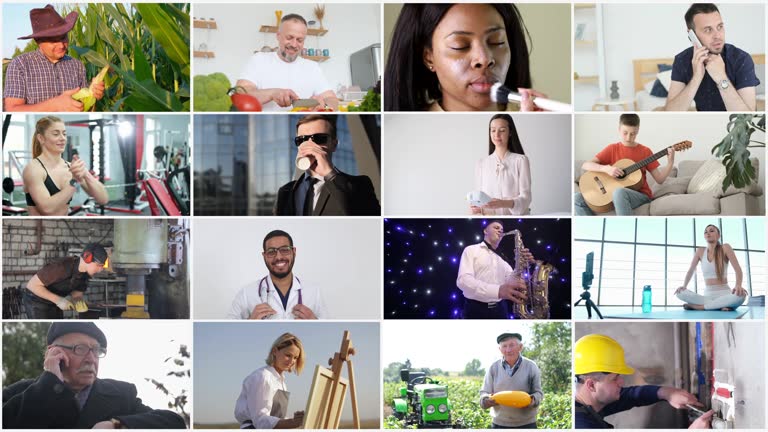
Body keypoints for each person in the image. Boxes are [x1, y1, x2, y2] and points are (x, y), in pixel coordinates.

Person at [2, 322, 186, 428]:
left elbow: (174, 422)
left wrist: (117, 426)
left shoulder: (121, 394)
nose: (91, 359)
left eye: (96, 350)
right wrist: (49, 384)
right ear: (54, 353)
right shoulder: (20, 392)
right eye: (80, 349)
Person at [384, 3, 548, 111]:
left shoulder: (533, 117)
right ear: (429, 58)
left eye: (496, 42)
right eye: (460, 45)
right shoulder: (413, 132)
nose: (484, 59)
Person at [574, 334, 713, 429]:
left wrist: (667, 393)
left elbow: (631, 396)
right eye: (615, 378)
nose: (621, 382)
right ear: (591, 385)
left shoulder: (589, 404)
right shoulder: (582, 425)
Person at [3, 4, 105, 112]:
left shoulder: (77, 65)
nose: (61, 45)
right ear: (38, 41)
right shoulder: (20, 65)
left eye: (63, 37)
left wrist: (93, 95)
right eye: (53, 41)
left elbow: (86, 109)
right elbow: (12, 110)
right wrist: (54, 105)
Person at [273, 114, 380, 216]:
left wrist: (329, 174)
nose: (310, 145)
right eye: (302, 140)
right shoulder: (285, 191)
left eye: (319, 138)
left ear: (334, 144)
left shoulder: (360, 184)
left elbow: (370, 218)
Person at [573, 114, 675, 216]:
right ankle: (593, 229)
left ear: (638, 131)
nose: (628, 137)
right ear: (619, 129)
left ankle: (625, 228)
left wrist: (670, 162)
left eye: (633, 134)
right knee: (577, 198)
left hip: (640, 195)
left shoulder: (645, 151)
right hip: (612, 194)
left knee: (619, 192)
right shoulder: (612, 149)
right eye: (625, 133)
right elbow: (586, 165)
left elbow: (660, 180)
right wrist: (606, 169)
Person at [665, 3, 759, 111]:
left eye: (720, 27)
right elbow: (670, 112)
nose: (717, 36)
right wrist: (696, 78)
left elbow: (747, 120)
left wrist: (721, 78)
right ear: (692, 34)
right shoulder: (682, 60)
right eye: (708, 30)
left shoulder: (741, 59)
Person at [236, 13, 339, 112]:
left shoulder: (313, 67)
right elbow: (240, 93)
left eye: (299, 40)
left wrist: (324, 106)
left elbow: (332, 99)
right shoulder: (258, 60)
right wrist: (272, 93)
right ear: (278, 35)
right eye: (289, 38)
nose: (294, 44)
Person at [227, 230, 326, 319]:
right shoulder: (246, 294)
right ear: (264, 256)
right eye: (271, 252)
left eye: (285, 250)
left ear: (294, 252)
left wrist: (314, 320)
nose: (278, 257)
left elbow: (325, 330)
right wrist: (250, 323)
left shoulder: (314, 292)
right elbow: (228, 331)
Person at [22, 116, 109, 216]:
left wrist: (85, 173)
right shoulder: (34, 169)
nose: (62, 138)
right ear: (41, 138)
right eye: (56, 134)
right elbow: (47, 209)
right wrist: (74, 182)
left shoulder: (69, 167)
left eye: (64, 134)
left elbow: (103, 199)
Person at [456, 220, 534, 319]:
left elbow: (512, 281)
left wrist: (523, 265)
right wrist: (498, 291)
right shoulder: (471, 250)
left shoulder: (503, 260)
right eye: (496, 228)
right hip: (475, 309)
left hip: (500, 309)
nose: (500, 231)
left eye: (502, 229)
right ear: (485, 231)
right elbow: (463, 281)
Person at [234, 333, 306, 429]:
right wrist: (292, 422)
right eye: (288, 355)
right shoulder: (262, 376)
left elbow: (276, 417)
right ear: (275, 351)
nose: (291, 361)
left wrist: (297, 420)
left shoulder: (281, 381)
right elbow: (260, 420)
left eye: (295, 358)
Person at [23, 244, 108, 319]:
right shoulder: (61, 266)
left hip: (55, 303)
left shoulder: (84, 275)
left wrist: (78, 301)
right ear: (87, 257)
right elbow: (32, 285)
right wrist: (58, 300)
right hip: (37, 302)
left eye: (102, 266)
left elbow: (76, 295)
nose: (100, 270)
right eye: (98, 265)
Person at [675, 224, 748, 310]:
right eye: (705, 232)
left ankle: (700, 307)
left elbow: (738, 270)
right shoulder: (700, 251)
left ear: (719, 235)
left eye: (711, 231)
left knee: (741, 296)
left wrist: (738, 285)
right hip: (707, 297)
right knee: (680, 293)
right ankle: (720, 306)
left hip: (725, 294)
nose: (708, 233)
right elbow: (691, 270)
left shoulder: (725, 247)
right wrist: (684, 286)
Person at [471, 114, 531, 215]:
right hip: (489, 218)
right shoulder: (481, 164)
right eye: (493, 130)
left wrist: (503, 203)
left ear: (510, 132)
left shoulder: (520, 160)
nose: (497, 135)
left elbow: (526, 198)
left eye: (502, 130)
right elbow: (479, 198)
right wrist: (477, 208)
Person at [479, 333, 543, 429]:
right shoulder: (493, 367)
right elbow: (484, 392)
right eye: (504, 346)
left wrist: (532, 400)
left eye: (512, 345)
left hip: (527, 424)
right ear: (500, 349)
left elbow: (539, 393)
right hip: (499, 424)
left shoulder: (531, 366)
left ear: (520, 347)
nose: (508, 350)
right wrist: (486, 400)